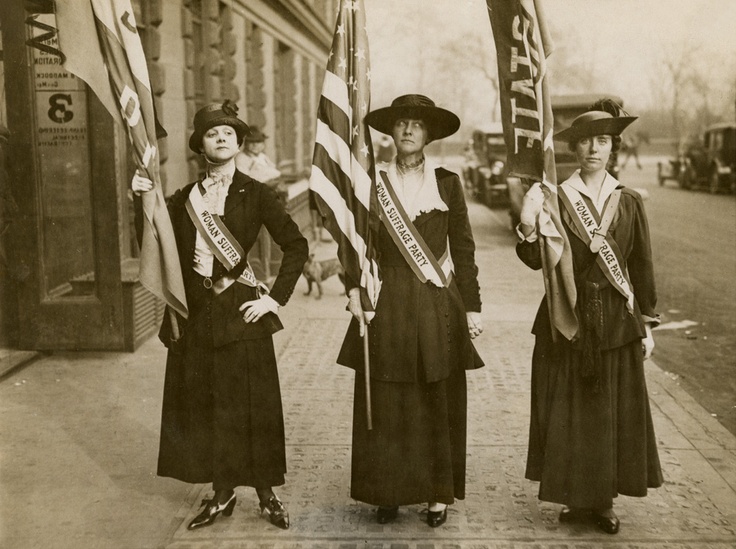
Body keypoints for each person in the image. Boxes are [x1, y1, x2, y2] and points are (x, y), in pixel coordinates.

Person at [131, 100, 308, 531]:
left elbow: (296, 246)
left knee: (254, 405)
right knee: (209, 406)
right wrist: (140, 199)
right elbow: (154, 244)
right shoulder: (182, 199)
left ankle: (267, 493)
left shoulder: (257, 192)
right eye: (213, 133)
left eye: (229, 132)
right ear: (201, 146)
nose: (222, 137)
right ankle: (222, 492)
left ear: (239, 142)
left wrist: (275, 299)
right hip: (196, 318)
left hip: (242, 314)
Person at [336, 94, 484, 527]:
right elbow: (354, 244)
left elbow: (464, 247)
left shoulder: (448, 182)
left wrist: (473, 308)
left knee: (436, 399)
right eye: (400, 123)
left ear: (429, 134)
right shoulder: (371, 181)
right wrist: (352, 288)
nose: (407, 130)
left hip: (437, 301)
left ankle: (437, 493)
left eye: (416, 125)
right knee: (389, 401)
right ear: (390, 132)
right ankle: (389, 491)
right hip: (387, 302)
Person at [516, 99, 663, 535]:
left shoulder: (629, 201)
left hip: (616, 323)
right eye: (585, 142)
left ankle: (602, 502)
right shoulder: (557, 198)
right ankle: (575, 498)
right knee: (569, 410)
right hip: (568, 319)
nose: (594, 150)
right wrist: (527, 223)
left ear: (613, 148)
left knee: (606, 413)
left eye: (603, 141)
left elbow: (641, 267)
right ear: (574, 149)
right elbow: (533, 258)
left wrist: (648, 325)